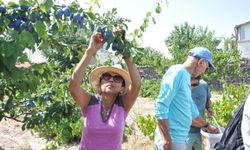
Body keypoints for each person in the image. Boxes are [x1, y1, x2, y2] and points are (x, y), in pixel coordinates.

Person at [69, 30, 141, 150]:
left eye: (117, 78)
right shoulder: (89, 102)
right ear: (100, 82)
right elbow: (73, 87)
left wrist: (126, 53)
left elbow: (137, 85)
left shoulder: (123, 105)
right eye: (107, 77)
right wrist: (90, 51)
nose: (111, 80)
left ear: (123, 87)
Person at [154, 47, 219, 150]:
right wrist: (166, 139)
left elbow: (191, 109)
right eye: (206, 68)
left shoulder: (185, 76)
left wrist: (207, 126)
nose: (203, 72)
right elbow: (160, 106)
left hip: (179, 138)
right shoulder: (177, 72)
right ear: (201, 62)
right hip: (172, 139)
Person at [187, 75, 215, 150]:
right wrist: (207, 126)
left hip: (201, 131)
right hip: (186, 132)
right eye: (190, 85)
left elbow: (207, 99)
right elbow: (186, 118)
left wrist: (209, 108)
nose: (192, 87)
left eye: (195, 85)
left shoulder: (204, 85)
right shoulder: (181, 91)